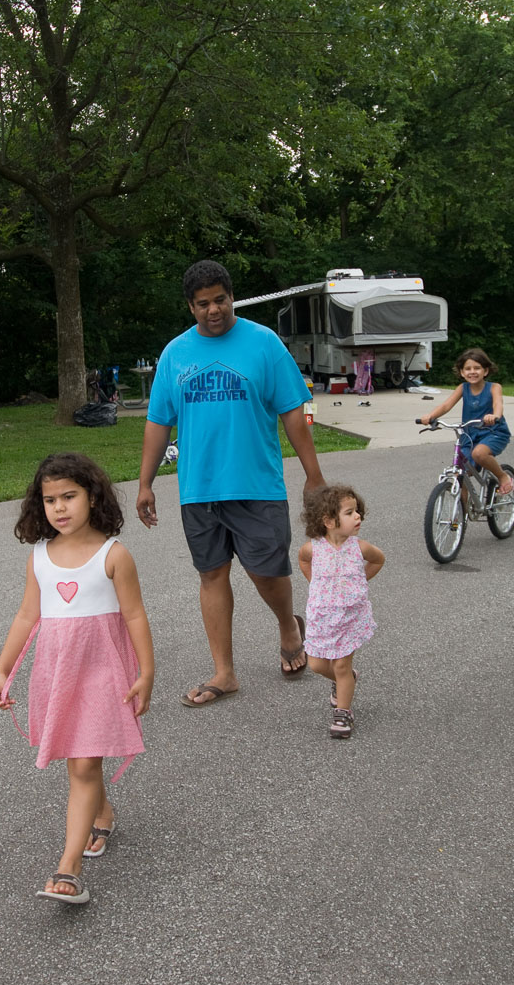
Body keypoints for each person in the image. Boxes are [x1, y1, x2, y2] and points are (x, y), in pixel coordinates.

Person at [136, 259, 325, 707]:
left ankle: (287, 626)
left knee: (267, 572)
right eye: (203, 304)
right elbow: (158, 422)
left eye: (220, 299)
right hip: (199, 489)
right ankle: (225, 671)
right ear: (191, 306)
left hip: (256, 484)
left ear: (231, 296)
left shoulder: (264, 343)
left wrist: (313, 475)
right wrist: (146, 483)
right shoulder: (175, 354)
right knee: (211, 574)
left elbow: (293, 413)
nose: (213, 310)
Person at [0, 453, 154, 905]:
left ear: (93, 496)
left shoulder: (113, 555)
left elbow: (135, 615)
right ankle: (102, 812)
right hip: (59, 675)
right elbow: (27, 616)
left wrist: (147, 671)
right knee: (77, 758)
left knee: (83, 764)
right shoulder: (39, 557)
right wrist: (4, 670)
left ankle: (69, 868)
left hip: (104, 672)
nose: (59, 508)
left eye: (69, 496)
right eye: (49, 500)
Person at [298, 485, 385, 739]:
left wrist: (359, 581)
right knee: (315, 664)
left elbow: (379, 559)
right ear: (328, 521)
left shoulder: (359, 547)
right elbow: (303, 560)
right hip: (321, 618)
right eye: (349, 513)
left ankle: (343, 711)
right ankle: (345, 678)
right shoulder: (313, 549)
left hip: (349, 617)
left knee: (342, 665)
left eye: (357, 511)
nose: (357, 516)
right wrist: (314, 582)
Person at [419, 347, 513, 494]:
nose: (472, 372)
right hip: (469, 436)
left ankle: (502, 476)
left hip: (493, 431)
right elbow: (446, 405)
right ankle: (461, 514)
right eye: (467, 369)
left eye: (477, 368)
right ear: (462, 372)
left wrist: (495, 416)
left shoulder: (494, 387)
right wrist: (430, 416)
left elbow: (497, 404)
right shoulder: (463, 388)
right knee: (459, 475)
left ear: (485, 371)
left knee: (479, 454)